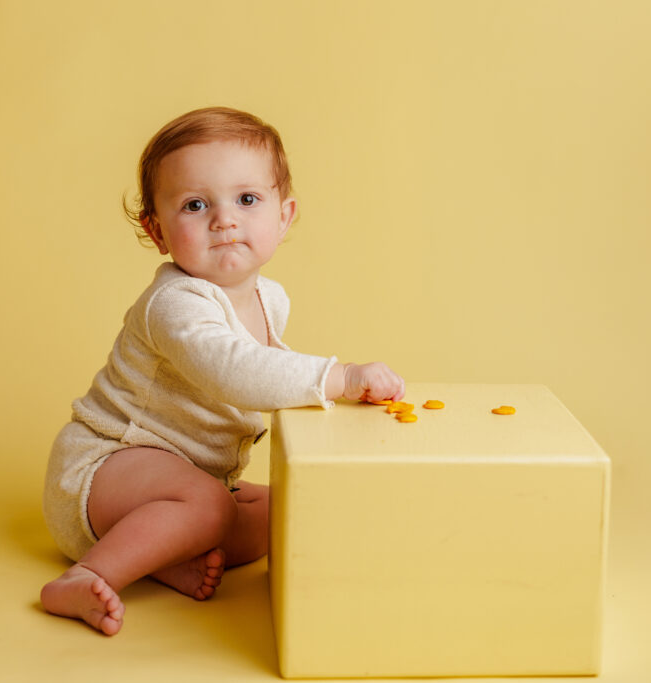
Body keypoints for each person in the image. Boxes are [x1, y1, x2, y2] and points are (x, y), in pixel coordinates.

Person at [39, 107, 405, 635]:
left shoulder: (269, 297)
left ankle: (165, 558)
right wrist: (340, 378)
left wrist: (332, 392)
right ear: (157, 230)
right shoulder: (175, 303)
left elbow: (266, 366)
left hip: (189, 479)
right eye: (195, 205)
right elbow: (236, 372)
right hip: (102, 471)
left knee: (277, 511)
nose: (224, 219)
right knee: (210, 506)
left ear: (284, 214)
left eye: (247, 199)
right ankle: (86, 575)